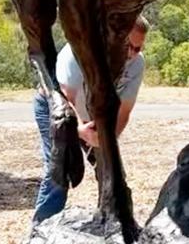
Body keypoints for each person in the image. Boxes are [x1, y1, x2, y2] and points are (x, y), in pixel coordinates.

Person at [32, 17, 147, 224]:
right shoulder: (78, 52)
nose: (131, 53)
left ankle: (114, 222)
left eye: (137, 49)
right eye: (127, 45)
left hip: (94, 115)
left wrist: (107, 139)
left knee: (111, 168)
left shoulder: (136, 65)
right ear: (113, 36)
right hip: (57, 107)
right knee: (59, 167)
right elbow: (66, 101)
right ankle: (41, 227)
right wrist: (82, 131)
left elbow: (124, 110)